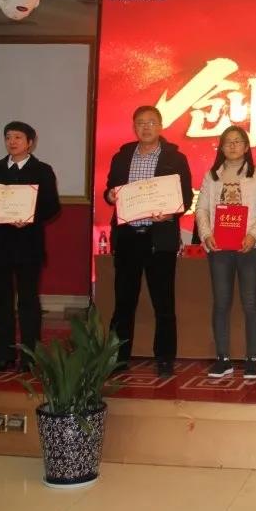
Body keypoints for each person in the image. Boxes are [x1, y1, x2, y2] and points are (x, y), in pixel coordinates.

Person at [105, 106, 194, 377]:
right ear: (134, 127)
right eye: (141, 123)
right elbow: (110, 189)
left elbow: (186, 197)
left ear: (161, 126)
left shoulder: (175, 158)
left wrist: (171, 212)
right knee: (123, 303)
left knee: (163, 304)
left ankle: (164, 358)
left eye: (151, 122)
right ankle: (117, 358)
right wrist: (110, 195)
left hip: (159, 239)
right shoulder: (122, 156)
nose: (146, 127)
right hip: (128, 238)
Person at [0, 121, 60, 373]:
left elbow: (52, 206)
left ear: (30, 142)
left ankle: (29, 357)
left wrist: (29, 217)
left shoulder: (42, 170)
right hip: (0, 245)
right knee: (2, 302)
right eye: (8, 137)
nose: (12, 142)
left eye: (17, 137)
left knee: (28, 302)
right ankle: (4, 355)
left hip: (28, 245)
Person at [195, 125, 256, 380]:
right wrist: (206, 234)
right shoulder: (211, 176)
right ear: (221, 146)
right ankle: (223, 359)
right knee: (221, 303)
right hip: (219, 248)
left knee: (250, 303)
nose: (233, 145)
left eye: (238, 141)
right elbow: (201, 209)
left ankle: (252, 359)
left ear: (247, 147)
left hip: (248, 247)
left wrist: (253, 235)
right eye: (228, 141)